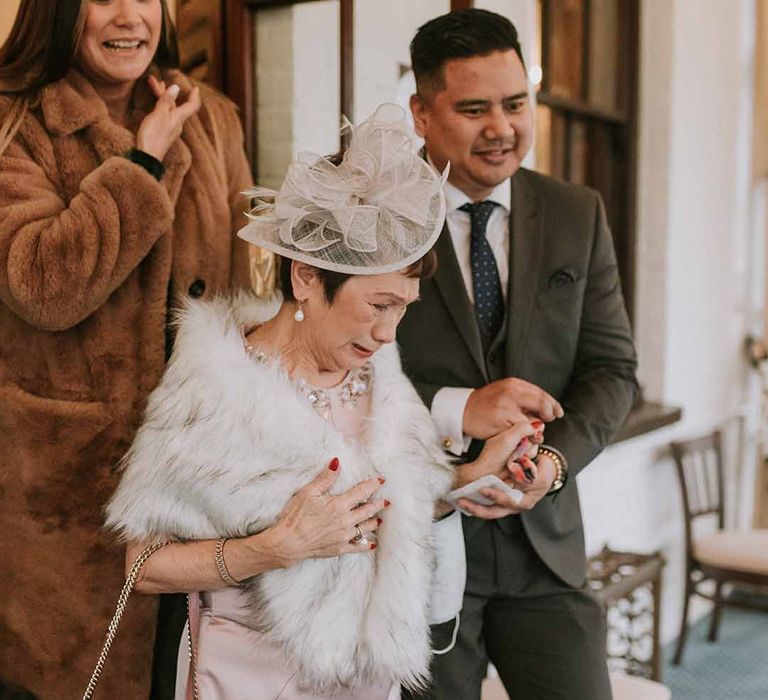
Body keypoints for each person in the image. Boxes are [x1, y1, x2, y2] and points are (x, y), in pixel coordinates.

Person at [105, 105, 541, 700]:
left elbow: (385, 511)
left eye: (404, 308)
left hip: (367, 682)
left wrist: (471, 475)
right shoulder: (216, 389)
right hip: (248, 680)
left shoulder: (379, 377)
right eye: (379, 304)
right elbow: (142, 564)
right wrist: (273, 548)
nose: (391, 333)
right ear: (307, 276)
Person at [0, 0, 266, 696]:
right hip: (67, 491)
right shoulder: (12, 120)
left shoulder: (212, 116)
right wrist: (143, 159)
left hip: (197, 477)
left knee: (187, 674)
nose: (130, 15)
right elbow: (42, 282)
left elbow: (246, 286)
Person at [397, 9, 639, 700]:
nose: (502, 129)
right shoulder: (374, 215)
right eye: (474, 109)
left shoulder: (576, 212)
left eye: (515, 104)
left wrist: (554, 465)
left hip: (547, 548)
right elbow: (333, 373)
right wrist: (456, 410)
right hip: (417, 548)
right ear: (421, 111)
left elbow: (612, 370)